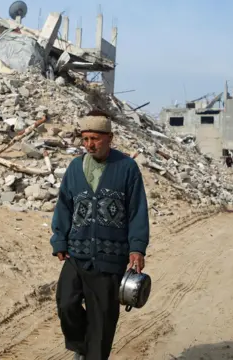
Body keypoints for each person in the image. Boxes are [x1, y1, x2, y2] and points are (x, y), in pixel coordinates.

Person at [50, 111, 150, 360]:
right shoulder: (75, 167)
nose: (89, 144)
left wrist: (136, 247)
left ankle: (92, 353)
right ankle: (81, 345)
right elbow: (64, 205)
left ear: (110, 138)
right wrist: (59, 239)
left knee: (103, 320)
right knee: (66, 304)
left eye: (95, 138)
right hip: (77, 253)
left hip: (110, 258)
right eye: (85, 139)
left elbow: (137, 210)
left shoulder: (126, 167)